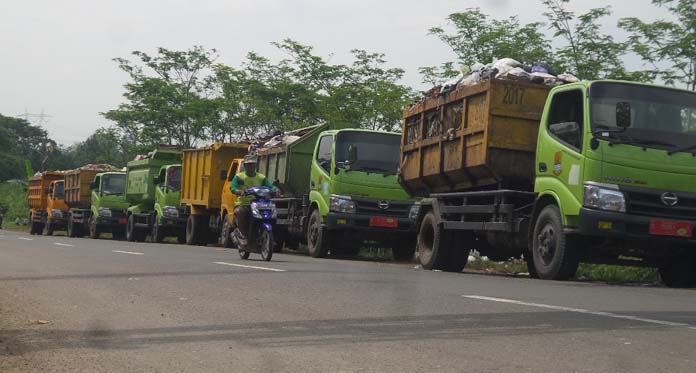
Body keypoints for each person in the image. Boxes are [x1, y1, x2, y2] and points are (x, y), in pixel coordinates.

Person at [229, 154, 277, 243]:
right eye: (249, 164)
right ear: (245, 166)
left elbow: (271, 186)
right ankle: (244, 235)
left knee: (271, 213)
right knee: (240, 212)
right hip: (244, 204)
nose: (251, 166)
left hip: (259, 203)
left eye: (253, 164)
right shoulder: (239, 177)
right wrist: (238, 191)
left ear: (256, 165)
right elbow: (233, 187)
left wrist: (275, 190)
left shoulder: (261, 177)